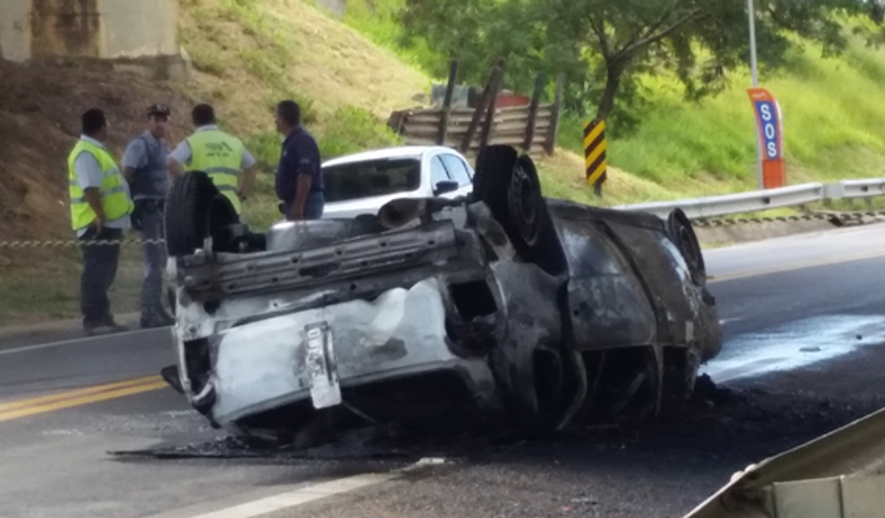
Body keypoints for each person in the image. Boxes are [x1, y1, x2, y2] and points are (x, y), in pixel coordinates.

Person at [67, 108, 134, 336]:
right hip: (96, 224)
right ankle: (94, 319)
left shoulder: (96, 150)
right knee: (96, 271)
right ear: (102, 126)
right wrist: (100, 215)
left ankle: (104, 316)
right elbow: (90, 188)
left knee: (105, 272)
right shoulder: (86, 153)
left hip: (109, 223)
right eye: (108, 123)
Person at [122, 103, 175, 329]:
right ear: (149, 120)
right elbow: (127, 175)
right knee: (153, 262)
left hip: (162, 208)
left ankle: (157, 307)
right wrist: (132, 207)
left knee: (161, 261)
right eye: (156, 119)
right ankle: (148, 310)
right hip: (148, 209)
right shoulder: (139, 145)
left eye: (163, 119)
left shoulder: (163, 147)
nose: (160, 123)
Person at [167, 103, 257, 215]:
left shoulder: (192, 142)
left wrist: (189, 186)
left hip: (202, 206)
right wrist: (244, 192)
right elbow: (251, 166)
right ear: (214, 119)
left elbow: (172, 163)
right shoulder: (233, 142)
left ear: (194, 121)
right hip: (230, 206)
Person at [274, 100, 324, 221]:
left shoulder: (302, 141)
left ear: (283, 118)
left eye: (276, 117)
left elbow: (305, 175)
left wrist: (299, 205)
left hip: (307, 203)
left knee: (303, 239)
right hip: (296, 202)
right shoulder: (292, 141)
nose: (275, 121)